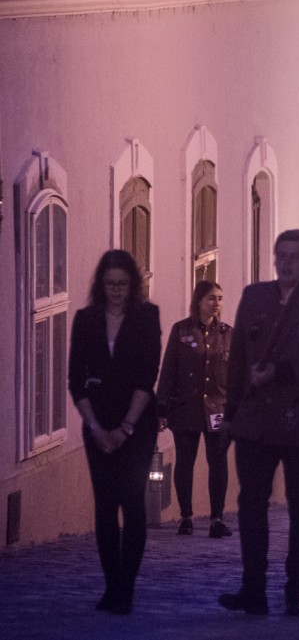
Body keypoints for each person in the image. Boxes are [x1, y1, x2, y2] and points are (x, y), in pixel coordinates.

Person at [218, 230, 299, 616]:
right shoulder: (254, 297)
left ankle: (296, 588)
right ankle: (253, 589)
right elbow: (238, 360)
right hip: (256, 421)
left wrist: (279, 372)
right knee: (251, 505)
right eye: (281, 255)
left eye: (295, 256)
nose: (286, 263)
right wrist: (231, 413)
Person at [69, 250, 162, 615]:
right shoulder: (86, 319)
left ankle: (127, 587)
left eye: (122, 284)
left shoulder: (147, 317)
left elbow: (147, 376)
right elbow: (76, 380)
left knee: (132, 501)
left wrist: (126, 428)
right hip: (97, 421)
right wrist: (95, 427)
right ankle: (111, 586)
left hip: (137, 422)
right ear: (101, 284)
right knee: (105, 505)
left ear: (132, 284)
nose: (116, 291)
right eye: (110, 284)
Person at [156, 281, 233, 539]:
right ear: (198, 301)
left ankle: (216, 519)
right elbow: (169, 370)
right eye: (211, 298)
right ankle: (186, 517)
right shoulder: (181, 331)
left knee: (218, 462)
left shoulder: (227, 334)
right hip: (186, 407)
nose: (216, 303)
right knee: (185, 462)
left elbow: (236, 376)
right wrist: (162, 408)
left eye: (220, 298)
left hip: (217, 409)